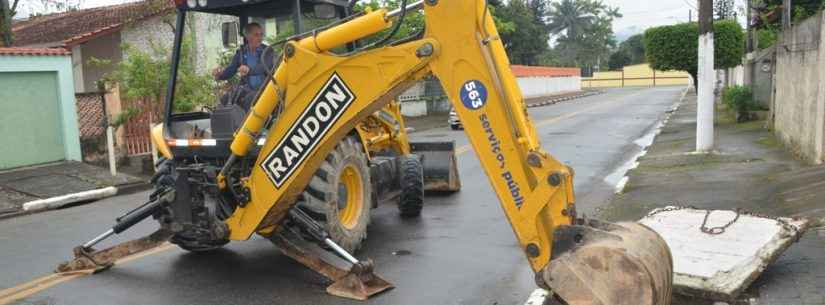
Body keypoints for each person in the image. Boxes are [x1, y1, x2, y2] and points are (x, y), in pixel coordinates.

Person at [212, 22, 275, 110]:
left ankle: (248, 123)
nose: (260, 38)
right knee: (225, 100)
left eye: (261, 35)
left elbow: (263, 67)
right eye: (256, 35)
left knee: (250, 99)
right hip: (247, 90)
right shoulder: (241, 53)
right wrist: (220, 74)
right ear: (248, 36)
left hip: (266, 89)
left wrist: (248, 70)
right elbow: (231, 70)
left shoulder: (268, 51)